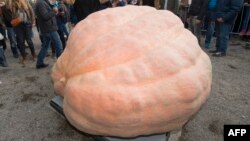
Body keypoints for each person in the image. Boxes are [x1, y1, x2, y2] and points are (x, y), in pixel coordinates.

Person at [6, 0, 36, 65]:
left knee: (29, 40)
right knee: (21, 42)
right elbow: (7, 8)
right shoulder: (12, 3)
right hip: (17, 25)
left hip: (26, 23)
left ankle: (33, 54)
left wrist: (33, 21)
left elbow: (31, 11)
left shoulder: (25, 2)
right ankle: (24, 57)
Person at [35, 0, 63, 69]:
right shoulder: (41, 3)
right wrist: (54, 11)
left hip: (48, 28)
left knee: (45, 46)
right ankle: (61, 65)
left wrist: (57, 12)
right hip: (49, 28)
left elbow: (48, 14)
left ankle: (39, 62)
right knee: (58, 45)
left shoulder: (43, 2)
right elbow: (45, 17)